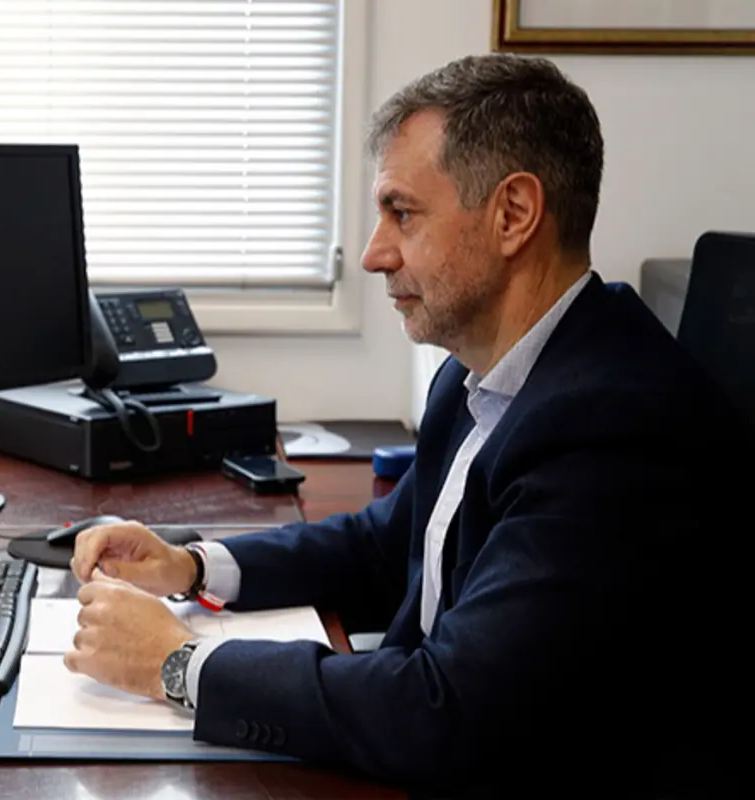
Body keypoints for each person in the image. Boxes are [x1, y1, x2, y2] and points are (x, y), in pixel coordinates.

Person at [64, 53, 743, 798]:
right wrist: (192, 566)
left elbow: (449, 711)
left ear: (514, 214)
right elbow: (388, 546)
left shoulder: (614, 425)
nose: (373, 253)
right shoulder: (480, 372)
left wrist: (180, 665)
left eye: (403, 213)